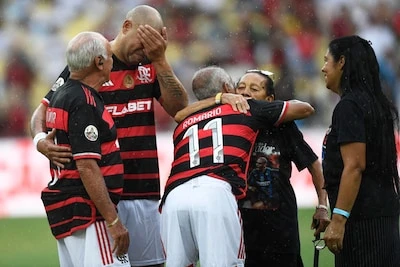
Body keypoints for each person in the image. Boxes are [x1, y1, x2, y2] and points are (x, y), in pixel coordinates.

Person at [30, 5, 188, 267]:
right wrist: (39, 141)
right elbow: (40, 114)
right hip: (102, 195)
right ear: (126, 27)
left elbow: (179, 109)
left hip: (143, 189)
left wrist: (160, 59)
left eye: (154, 44)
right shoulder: (90, 63)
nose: (146, 50)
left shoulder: (151, 64)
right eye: (143, 41)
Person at [160, 66, 315, 267]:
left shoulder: (186, 121)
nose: (243, 93)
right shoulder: (244, 108)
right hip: (215, 192)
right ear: (227, 88)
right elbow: (305, 109)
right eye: (238, 86)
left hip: (174, 196)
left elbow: (178, 115)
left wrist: (217, 99)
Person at [41, 31, 130, 266]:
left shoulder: (62, 95)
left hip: (69, 211)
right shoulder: (83, 100)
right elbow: (87, 166)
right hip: (89, 213)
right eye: (110, 57)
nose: (113, 61)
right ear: (99, 62)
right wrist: (113, 221)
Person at [236, 69, 329, 267]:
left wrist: (322, 206)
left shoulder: (283, 128)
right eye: (241, 87)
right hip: (241, 233)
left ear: (270, 100)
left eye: (254, 89)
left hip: (280, 233)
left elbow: (314, 165)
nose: (245, 93)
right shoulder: (229, 126)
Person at [321, 35, 400, 266]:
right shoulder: (376, 104)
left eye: (327, 61)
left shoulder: (349, 106)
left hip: (361, 222)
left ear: (342, 62)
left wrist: (339, 219)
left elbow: (354, 166)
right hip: (381, 216)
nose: (323, 68)